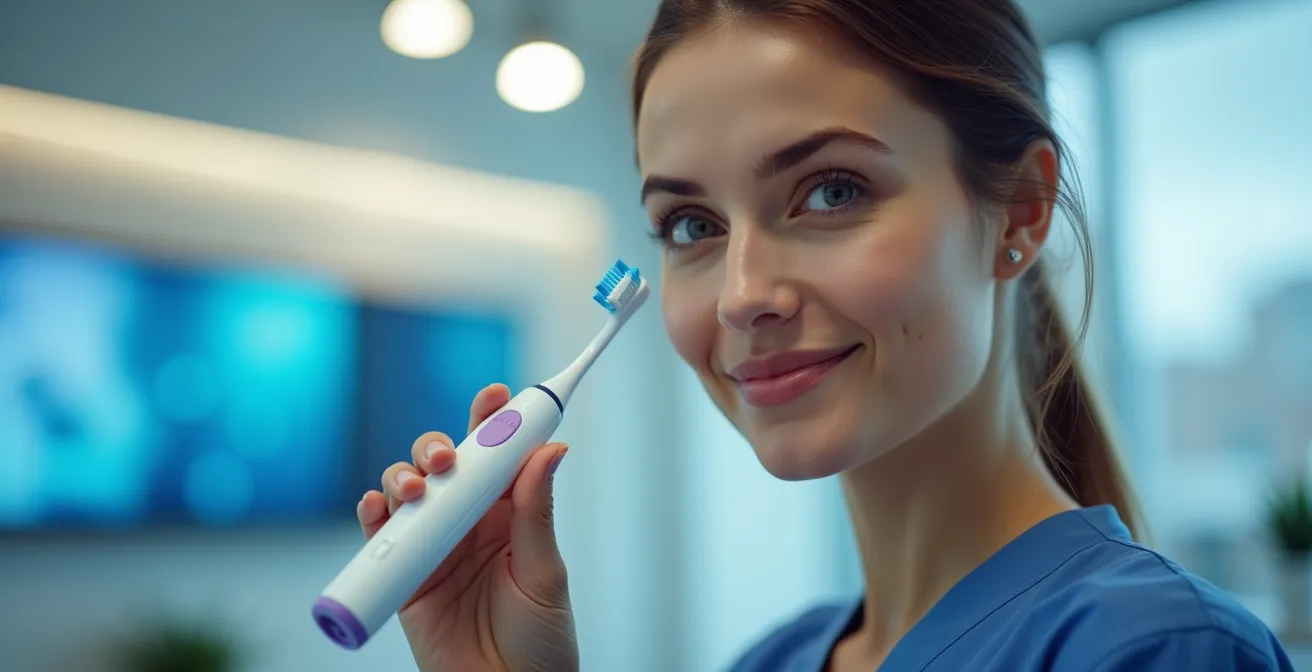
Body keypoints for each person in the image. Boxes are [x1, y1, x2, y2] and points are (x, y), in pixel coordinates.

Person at [355, 1, 1295, 670]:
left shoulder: (1155, 650)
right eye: (691, 225)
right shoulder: (772, 659)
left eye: (832, 191)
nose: (741, 296)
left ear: (1020, 210)